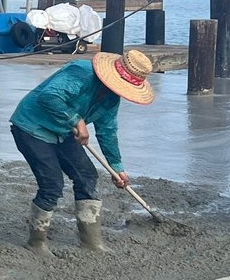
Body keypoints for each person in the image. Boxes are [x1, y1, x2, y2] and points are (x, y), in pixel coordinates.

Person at [9, 49, 155, 255]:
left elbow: (107, 130)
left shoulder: (112, 98)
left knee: (87, 175)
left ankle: (91, 241)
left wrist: (117, 167)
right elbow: (49, 97)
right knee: (52, 184)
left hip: (63, 131)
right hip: (32, 127)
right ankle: (36, 242)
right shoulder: (81, 71)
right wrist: (77, 121)